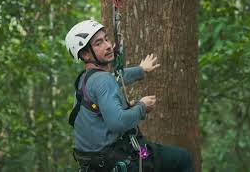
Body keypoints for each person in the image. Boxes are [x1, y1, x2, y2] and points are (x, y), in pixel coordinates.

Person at [65, 19, 194, 172]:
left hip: (95, 162)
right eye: (98, 43)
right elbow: (118, 122)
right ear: (86, 55)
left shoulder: (85, 79)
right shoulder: (102, 80)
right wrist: (142, 107)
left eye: (106, 39)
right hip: (121, 159)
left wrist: (141, 70)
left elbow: (116, 78)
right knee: (182, 158)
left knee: (148, 149)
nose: (107, 46)